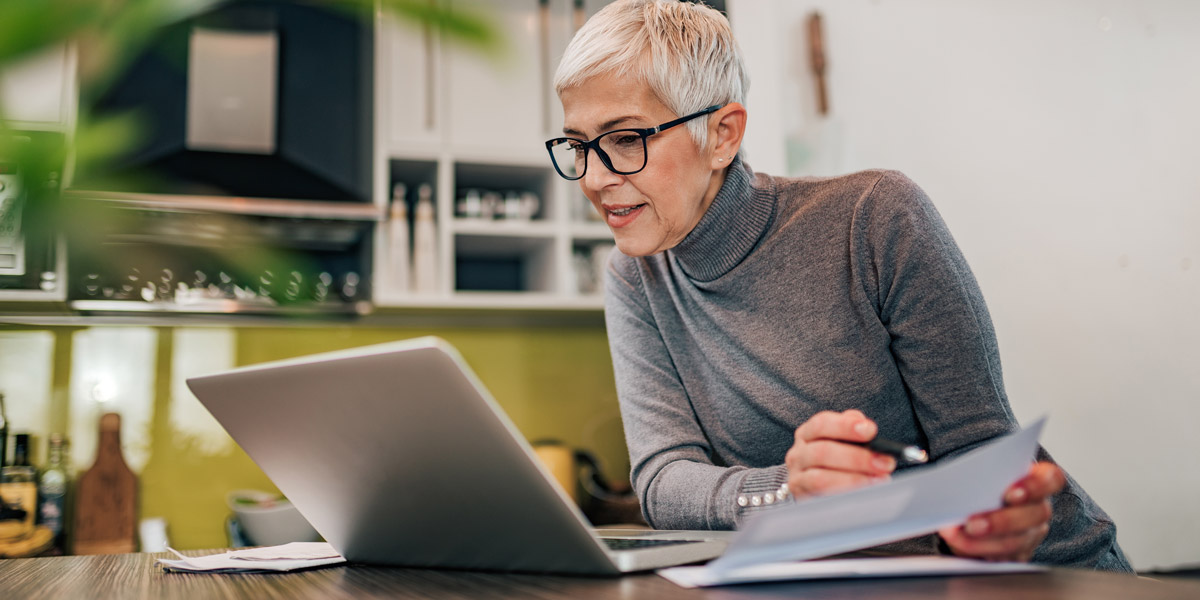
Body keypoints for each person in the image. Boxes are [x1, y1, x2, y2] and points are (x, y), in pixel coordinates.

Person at [546, 0, 1131, 571]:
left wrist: (987, 515)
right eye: (578, 144)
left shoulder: (875, 216)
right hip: (847, 581)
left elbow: (978, 453)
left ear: (722, 135)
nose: (594, 178)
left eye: (626, 139)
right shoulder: (635, 275)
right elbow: (664, 481)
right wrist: (786, 492)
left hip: (1043, 573)